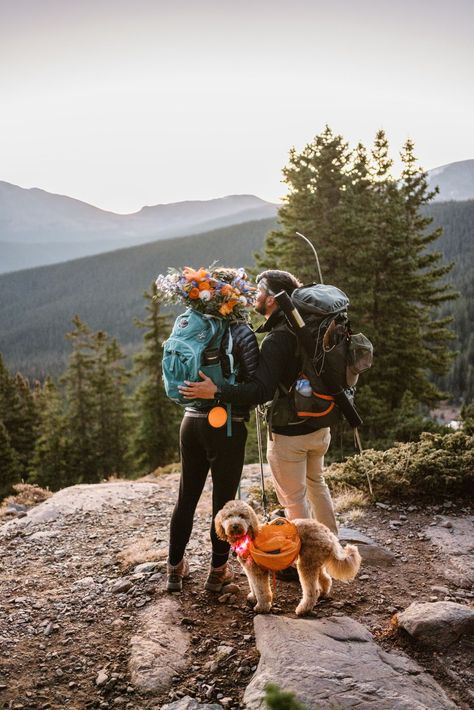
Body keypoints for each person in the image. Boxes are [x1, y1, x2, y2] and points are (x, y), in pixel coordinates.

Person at [179, 269, 338, 538]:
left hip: (290, 432)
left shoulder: (277, 338)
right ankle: (332, 547)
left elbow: (260, 391)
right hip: (320, 424)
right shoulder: (305, 326)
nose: (254, 295)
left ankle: (305, 558)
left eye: (260, 291)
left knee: (293, 498)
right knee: (316, 484)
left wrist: (216, 391)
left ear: (273, 299)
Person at [164, 267, 259, 594]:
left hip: (190, 421)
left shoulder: (190, 323)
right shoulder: (238, 329)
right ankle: (218, 573)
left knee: (186, 497)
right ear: (234, 297)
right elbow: (255, 382)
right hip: (225, 422)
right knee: (224, 502)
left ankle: (175, 570)